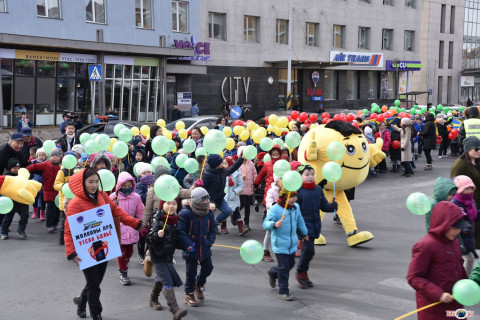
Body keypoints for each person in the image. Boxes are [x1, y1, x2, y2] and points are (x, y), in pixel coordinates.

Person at [64, 168, 147, 320]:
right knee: (94, 284)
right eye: (90, 182)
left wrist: (135, 223)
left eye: (96, 181)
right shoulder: (75, 203)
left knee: (94, 282)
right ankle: (97, 313)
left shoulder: (102, 195)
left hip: (103, 244)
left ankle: (81, 302)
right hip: (85, 248)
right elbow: (69, 230)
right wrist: (71, 252)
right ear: (81, 183)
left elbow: (117, 211)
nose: (94, 185)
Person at [407, 201, 468, 320]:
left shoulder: (454, 241)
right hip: (434, 309)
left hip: (456, 304)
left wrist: (467, 285)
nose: (458, 231)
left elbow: (459, 265)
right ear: (443, 224)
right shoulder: (425, 246)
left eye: (460, 228)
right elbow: (414, 277)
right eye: (455, 228)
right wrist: (438, 294)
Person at [294, 164, 337, 288]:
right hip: (304, 224)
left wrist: (332, 206)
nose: (310, 177)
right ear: (300, 176)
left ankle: (303, 272)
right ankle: (300, 272)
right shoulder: (298, 191)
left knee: (310, 251)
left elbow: (323, 206)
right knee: (309, 250)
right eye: (307, 175)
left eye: (312, 174)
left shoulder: (318, 189)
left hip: (315, 223)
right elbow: (294, 210)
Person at [263, 188, 308, 301]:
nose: (294, 199)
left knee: (290, 264)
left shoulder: (295, 207)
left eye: (295, 196)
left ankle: (273, 272)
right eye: (291, 196)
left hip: (292, 243)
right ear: (284, 197)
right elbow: (266, 223)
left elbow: (300, 221)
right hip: (280, 244)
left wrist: (305, 233)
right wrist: (274, 224)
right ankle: (283, 291)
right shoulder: (275, 209)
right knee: (284, 268)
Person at [146, 199, 188, 319]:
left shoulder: (175, 220)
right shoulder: (157, 220)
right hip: (157, 256)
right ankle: (175, 309)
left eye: (174, 204)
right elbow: (148, 239)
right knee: (167, 281)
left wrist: (185, 245)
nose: (171, 206)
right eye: (168, 203)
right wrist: (156, 235)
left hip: (168, 256)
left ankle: (153, 299)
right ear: (162, 205)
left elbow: (175, 239)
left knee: (161, 278)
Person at [177, 188, 217, 306]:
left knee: (208, 267)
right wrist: (188, 244)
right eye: (203, 199)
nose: (206, 201)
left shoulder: (209, 212)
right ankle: (188, 293)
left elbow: (213, 229)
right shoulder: (185, 213)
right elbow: (181, 231)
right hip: (191, 248)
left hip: (204, 246)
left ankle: (198, 285)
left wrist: (209, 241)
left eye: (207, 198)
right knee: (191, 272)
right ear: (196, 200)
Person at [109, 172, 144, 285]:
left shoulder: (136, 197)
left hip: (131, 226)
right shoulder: (114, 197)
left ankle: (125, 262)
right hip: (118, 228)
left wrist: (141, 224)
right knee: (121, 253)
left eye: (129, 186)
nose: (127, 188)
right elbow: (108, 212)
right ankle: (123, 272)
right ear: (119, 186)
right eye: (124, 186)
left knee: (130, 251)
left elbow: (140, 211)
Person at [201, 154, 244, 234]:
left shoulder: (223, 171)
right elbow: (202, 187)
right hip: (210, 200)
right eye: (221, 162)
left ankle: (213, 224)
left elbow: (232, 169)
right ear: (216, 165)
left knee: (228, 211)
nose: (223, 163)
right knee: (208, 216)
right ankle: (209, 228)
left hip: (220, 198)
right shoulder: (208, 175)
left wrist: (240, 159)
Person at [451, 136, 480, 249]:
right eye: (476, 149)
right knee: (469, 244)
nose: (479, 151)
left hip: (475, 208)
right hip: (468, 209)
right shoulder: (459, 166)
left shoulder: (477, 162)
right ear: (468, 149)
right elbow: (455, 189)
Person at [26, 149, 61, 233]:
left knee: (57, 210)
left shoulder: (61, 167)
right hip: (48, 190)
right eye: (52, 156)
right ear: (49, 157)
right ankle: (49, 225)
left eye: (57, 156)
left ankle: (55, 224)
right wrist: (26, 170)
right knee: (50, 210)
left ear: (60, 157)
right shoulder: (46, 164)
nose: (55, 158)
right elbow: (34, 166)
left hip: (58, 191)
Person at [450, 175, 478, 275]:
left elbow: (473, 216)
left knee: (461, 261)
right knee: (469, 259)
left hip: (469, 237)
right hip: (460, 238)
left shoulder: (471, 201)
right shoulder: (455, 203)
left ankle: (458, 277)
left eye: (471, 188)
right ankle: (465, 281)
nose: (470, 191)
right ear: (459, 189)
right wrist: (463, 230)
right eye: (467, 188)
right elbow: (453, 222)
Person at [53, 150, 80, 245]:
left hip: (76, 201)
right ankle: (62, 239)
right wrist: (66, 186)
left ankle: (75, 240)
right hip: (65, 201)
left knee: (76, 222)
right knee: (66, 223)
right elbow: (56, 185)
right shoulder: (62, 172)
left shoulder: (77, 171)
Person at [0, 159, 30, 240]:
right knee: (7, 219)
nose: (17, 170)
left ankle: (21, 230)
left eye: (18, 168)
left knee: (25, 216)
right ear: (10, 168)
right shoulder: (6, 177)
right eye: (14, 168)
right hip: (10, 202)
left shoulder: (22, 177)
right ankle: (3, 231)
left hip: (21, 201)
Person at [223, 156, 246, 235]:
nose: (223, 165)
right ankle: (223, 226)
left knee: (237, 212)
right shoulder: (222, 173)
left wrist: (235, 191)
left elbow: (241, 185)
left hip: (233, 196)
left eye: (225, 164)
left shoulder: (237, 174)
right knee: (224, 211)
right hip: (224, 196)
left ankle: (241, 227)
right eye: (223, 163)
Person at [238, 147, 257, 231]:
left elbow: (254, 174)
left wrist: (256, 183)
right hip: (241, 189)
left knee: (247, 207)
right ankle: (235, 216)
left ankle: (246, 222)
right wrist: (241, 177)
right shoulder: (238, 164)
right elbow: (235, 174)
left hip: (249, 189)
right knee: (241, 205)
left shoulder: (251, 164)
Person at [32, 148, 47, 221]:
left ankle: (42, 214)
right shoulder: (34, 163)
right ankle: (35, 212)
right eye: (39, 155)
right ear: (37, 156)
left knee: (42, 199)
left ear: (45, 156)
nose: (41, 157)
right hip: (35, 183)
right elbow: (31, 173)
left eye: (43, 155)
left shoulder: (47, 164)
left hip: (43, 184)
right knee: (35, 198)